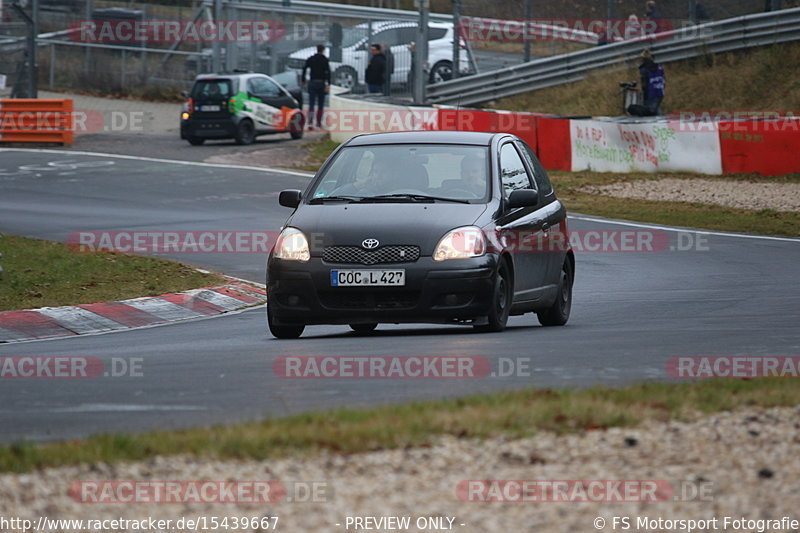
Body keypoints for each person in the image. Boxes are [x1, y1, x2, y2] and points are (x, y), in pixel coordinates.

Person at [301, 44, 331, 130]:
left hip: (312, 82)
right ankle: (318, 123)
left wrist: (303, 80)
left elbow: (304, 68)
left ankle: (310, 123)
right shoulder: (325, 60)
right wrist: (328, 84)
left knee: (311, 104)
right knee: (321, 104)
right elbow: (328, 72)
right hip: (321, 83)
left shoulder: (311, 59)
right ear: (323, 50)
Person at [639, 49, 665, 115]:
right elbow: (664, 81)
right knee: (656, 109)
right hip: (660, 92)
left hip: (650, 94)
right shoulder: (660, 67)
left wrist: (644, 93)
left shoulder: (644, 70)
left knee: (650, 113)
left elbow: (644, 85)